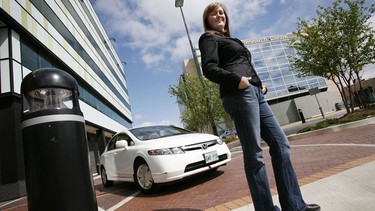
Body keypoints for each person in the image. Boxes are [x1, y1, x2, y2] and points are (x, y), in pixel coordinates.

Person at [198, 2, 321, 211]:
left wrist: (258, 84)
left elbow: (244, 64)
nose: (219, 16)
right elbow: (209, 68)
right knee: (254, 154)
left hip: (255, 92)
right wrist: (238, 80)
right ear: (207, 19)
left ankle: (294, 205)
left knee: (281, 144)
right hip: (238, 94)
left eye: (221, 12)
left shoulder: (230, 39)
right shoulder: (209, 38)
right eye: (214, 13)